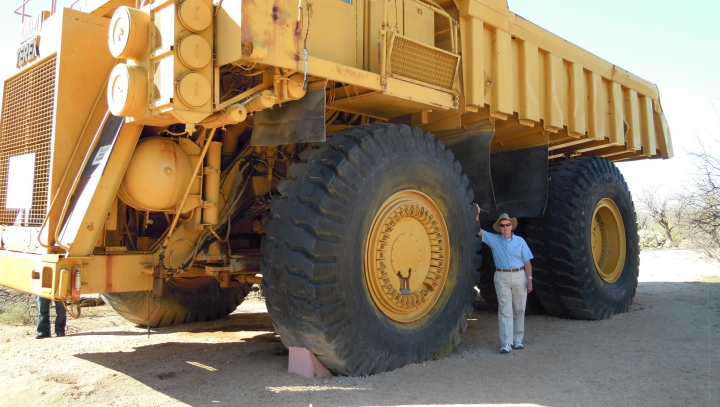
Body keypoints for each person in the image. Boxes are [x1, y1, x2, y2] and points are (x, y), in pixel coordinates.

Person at [474, 204, 533, 354]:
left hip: (519, 275)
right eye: (502, 225)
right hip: (502, 276)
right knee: (505, 310)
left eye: (507, 225)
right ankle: (506, 343)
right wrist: (476, 215)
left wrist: (529, 279)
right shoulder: (494, 240)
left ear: (511, 226)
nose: (505, 227)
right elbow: (478, 231)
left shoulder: (520, 241)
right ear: (499, 227)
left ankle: (518, 340)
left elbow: (527, 261)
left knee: (519, 308)